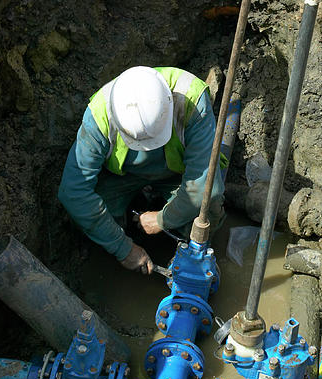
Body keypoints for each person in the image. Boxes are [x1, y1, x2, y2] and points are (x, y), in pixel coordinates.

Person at [58, 66, 224, 274]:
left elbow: (204, 188)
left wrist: (162, 219)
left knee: (209, 206)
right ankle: (108, 247)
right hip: (123, 176)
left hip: (177, 174)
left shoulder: (191, 100)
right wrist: (123, 248)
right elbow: (74, 192)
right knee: (86, 213)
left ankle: (190, 256)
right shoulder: (99, 115)